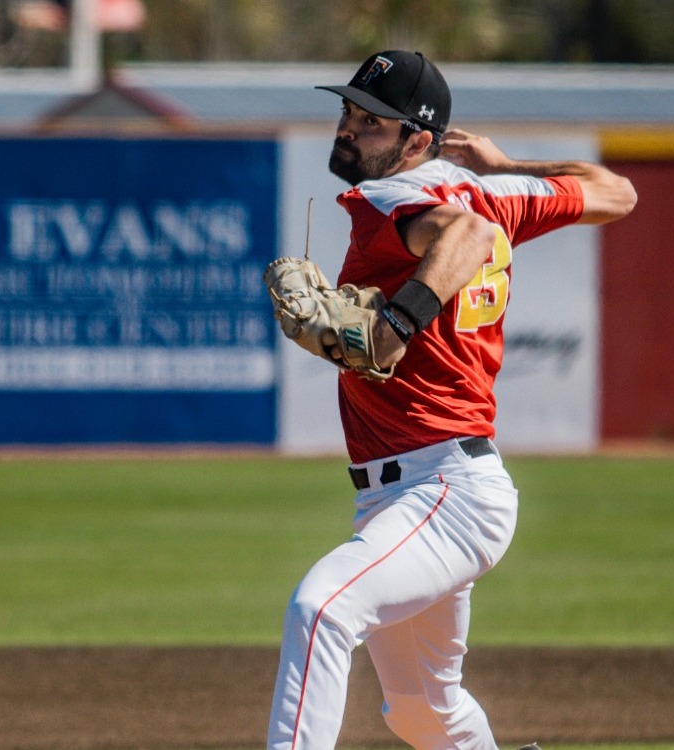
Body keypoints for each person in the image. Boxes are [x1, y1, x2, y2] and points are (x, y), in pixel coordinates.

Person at [266, 50, 637, 750]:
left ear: (416, 141)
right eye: (347, 112)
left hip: (444, 488)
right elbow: (616, 193)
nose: (347, 129)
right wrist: (504, 168)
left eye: (370, 122)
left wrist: (393, 324)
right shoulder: (487, 192)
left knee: (319, 610)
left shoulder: (392, 202)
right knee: (421, 714)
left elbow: (464, 236)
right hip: (412, 490)